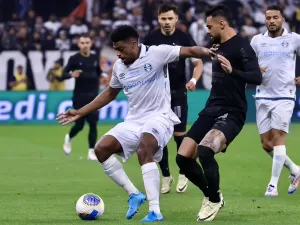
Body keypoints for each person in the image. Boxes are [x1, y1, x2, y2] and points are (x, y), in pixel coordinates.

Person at [57, 25, 214, 222]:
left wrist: (211, 52)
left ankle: (155, 211)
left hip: (160, 117)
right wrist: (80, 112)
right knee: (101, 149)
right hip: (134, 120)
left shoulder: (157, 53)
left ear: (134, 43)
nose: (118, 54)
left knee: (144, 149)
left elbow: (190, 51)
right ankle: (134, 194)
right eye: (115, 49)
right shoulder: (119, 67)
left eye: (121, 49)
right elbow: (109, 94)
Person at [176, 5, 262, 222]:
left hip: (233, 112)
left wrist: (234, 71)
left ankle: (213, 202)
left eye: (209, 26)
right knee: (182, 158)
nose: (207, 30)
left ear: (222, 24)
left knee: (205, 151)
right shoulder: (215, 46)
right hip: (211, 108)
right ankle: (212, 195)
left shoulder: (242, 46)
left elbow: (256, 77)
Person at [144, 3, 203, 194]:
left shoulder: (184, 37)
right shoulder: (151, 38)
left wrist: (194, 80)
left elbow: (198, 62)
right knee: (158, 137)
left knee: (179, 136)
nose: (167, 22)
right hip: (156, 95)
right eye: (163, 18)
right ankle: (166, 176)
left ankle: (184, 171)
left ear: (176, 19)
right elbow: (141, 63)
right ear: (158, 19)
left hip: (178, 92)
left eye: (170, 18)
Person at [250, 5, 300, 197]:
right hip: (262, 95)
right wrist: (254, 71)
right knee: (266, 144)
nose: (271, 21)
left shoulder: (294, 39)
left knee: (278, 138)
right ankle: (295, 170)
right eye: (268, 18)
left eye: (275, 17)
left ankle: (272, 186)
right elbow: (248, 63)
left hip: (285, 95)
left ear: (282, 20)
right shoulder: (256, 41)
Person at [59, 35, 102, 161]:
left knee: (93, 124)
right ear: (79, 45)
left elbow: (98, 72)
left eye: (87, 42)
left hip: (94, 97)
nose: (85, 45)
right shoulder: (74, 59)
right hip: (79, 97)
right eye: (82, 43)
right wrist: (71, 74)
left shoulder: (94, 57)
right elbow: (63, 74)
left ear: (91, 43)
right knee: (80, 125)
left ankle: (91, 151)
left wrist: (103, 75)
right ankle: (69, 137)